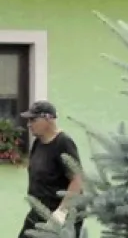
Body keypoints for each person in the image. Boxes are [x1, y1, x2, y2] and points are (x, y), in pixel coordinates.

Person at [18, 100, 84, 238]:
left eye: (33, 119)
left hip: (60, 216)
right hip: (38, 212)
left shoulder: (63, 143)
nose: (29, 124)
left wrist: (61, 212)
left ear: (48, 119)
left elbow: (77, 180)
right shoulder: (38, 142)